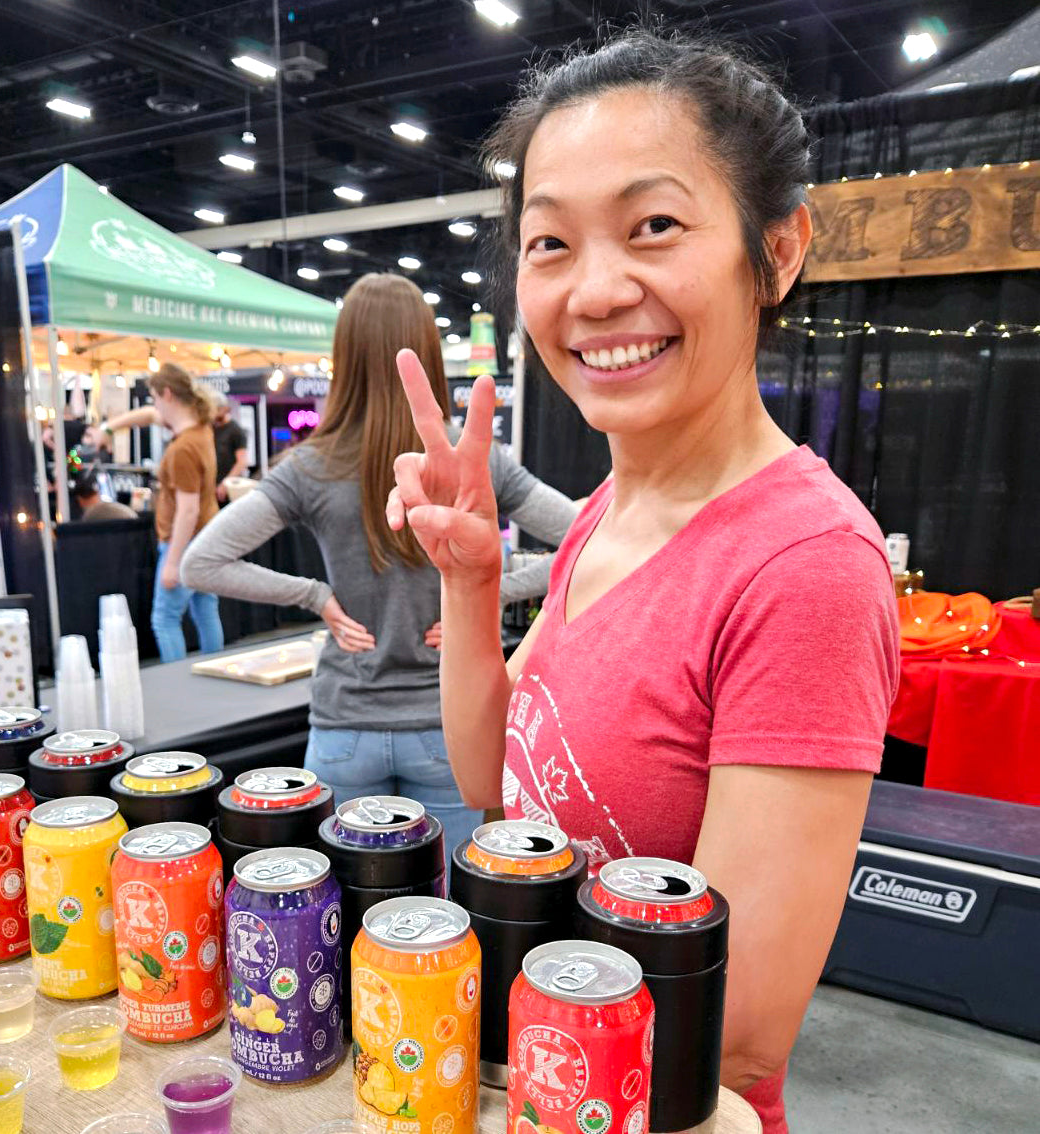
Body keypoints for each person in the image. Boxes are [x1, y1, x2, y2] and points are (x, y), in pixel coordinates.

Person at [386, 30, 899, 1134]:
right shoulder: (608, 514)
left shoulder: (805, 568)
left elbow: (737, 1024)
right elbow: (498, 790)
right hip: (529, 1091)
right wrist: (470, 586)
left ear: (779, 249)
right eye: (550, 244)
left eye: (653, 226)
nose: (598, 290)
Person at [181, 273, 579, 863]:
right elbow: (589, 538)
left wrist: (318, 598)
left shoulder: (310, 466)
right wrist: (485, 593)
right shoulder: (472, 461)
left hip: (346, 726)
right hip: (446, 732)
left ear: (344, 355)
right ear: (426, 346)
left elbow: (199, 563)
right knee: (449, 918)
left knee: (344, 919)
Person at [147, 363, 224, 662]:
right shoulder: (202, 431)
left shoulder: (183, 449)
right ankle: (215, 673)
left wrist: (173, 562)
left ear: (167, 394)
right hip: (207, 535)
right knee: (205, 609)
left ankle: (175, 682)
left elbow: (187, 510)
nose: (154, 405)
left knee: (164, 618)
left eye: (154, 397)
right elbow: (149, 416)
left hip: (185, 541)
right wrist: (108, 428)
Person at [211, 391, 249, 503]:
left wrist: (225, 483)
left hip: (227, 491)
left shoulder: (235, 431)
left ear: (224, 408)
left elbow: (242, 461)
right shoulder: (211, 429)